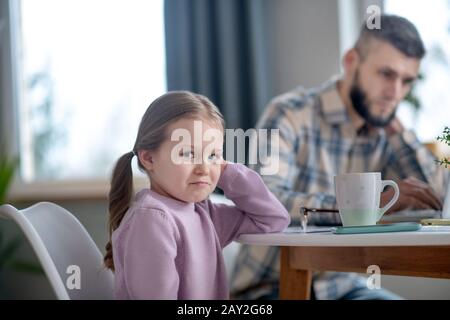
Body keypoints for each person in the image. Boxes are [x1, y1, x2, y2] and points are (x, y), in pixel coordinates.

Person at [230, 14, 450, 300]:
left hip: (343, 286)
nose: (395, 93)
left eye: (406, 81)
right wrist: (361, 208)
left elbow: (437, 199)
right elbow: (266, 200)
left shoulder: (385, 132)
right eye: (386, 74)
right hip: (271, 287)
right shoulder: (290, 113)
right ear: (350, 62)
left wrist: (397, 129)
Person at [103, 91, 290, 299]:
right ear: (148, 158)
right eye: (187, 153)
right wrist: (213, 162)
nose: (203, 168)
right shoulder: (152, 218)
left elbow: (273, 219)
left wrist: (226, 172)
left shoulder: (203, 212)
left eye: (213, 155)